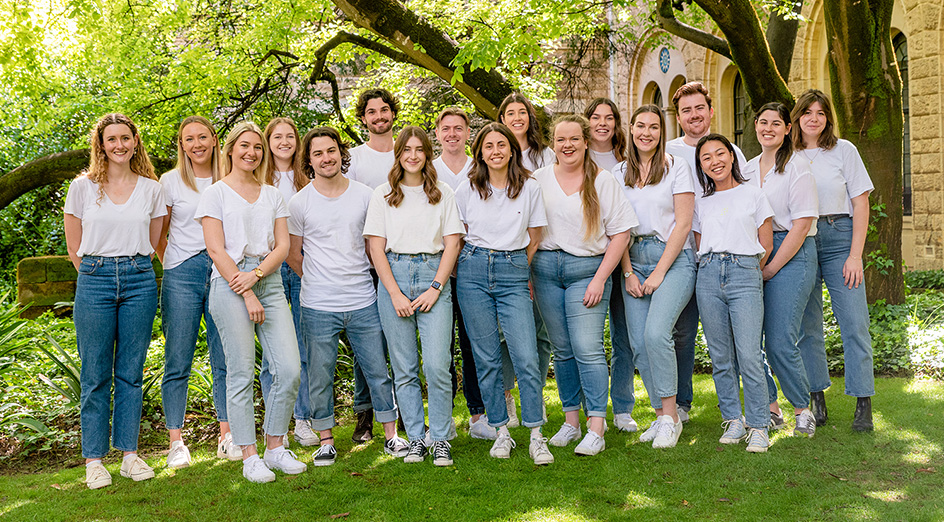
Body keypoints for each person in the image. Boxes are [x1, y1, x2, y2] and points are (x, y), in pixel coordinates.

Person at [288, 127, 408, 467]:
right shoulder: (299, 203)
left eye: (331, 151)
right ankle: (325, 440)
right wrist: (319, 279)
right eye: (318, 154)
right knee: (321, 374)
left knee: (377, 371)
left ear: (342, 153)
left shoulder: (365, 195)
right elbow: (293, 255)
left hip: (362, 300)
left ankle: (390, 434)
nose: (326, 158)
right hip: (318, 304)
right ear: (309, 161)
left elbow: (374, 246)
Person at [196, 121, 305, 483]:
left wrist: (256, 279)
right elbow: (215, 248)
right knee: (240, 373)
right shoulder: (215, 193)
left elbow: (283, 247)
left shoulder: (273, 194)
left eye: (257, 147)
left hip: (267, 279)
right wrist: (244, 290)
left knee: (288, 369)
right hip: (229, 284)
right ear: (229, 150)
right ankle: (249, 455)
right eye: (244, 145)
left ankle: (275, 447)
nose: (251, 152)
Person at [64, 113, 166, 489]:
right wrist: (96, 272)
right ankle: (94, 460)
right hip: (95, 280)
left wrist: (131, 266)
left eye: (126, 138)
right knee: (94, 374)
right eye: (112, 139)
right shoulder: (82, 188)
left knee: (130, 372)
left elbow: (156, 240)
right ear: (101, 145)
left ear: (135, 142)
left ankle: (129, 456)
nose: (119, 145)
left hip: (139, 280)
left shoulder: (151, 190)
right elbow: (74, 246)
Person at [532, 115, 636, 456]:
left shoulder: (603, 181)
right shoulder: (539, 179)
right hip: (546, 270)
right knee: (562, 349)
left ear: (586, 142)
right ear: (552, 144)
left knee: (586, 347)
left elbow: (622, 234)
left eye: (574, 139)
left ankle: (596, 426)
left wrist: (600, 278)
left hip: (587, 271)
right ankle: (571, 421)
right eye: (561, 139)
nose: (568, 145)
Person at [455, 122, 554, 464]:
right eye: (488, 146)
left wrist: (517, 266)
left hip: (513, 269)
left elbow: (536, 235)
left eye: (501, 145)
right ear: (479, 152)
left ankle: (536, 434)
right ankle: (500, 431)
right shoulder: (467, 188)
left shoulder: (529, 187)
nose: (495, 151)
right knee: (486, 358)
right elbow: (460, 233)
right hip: (473, 270)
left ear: (512, 149)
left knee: (525, 354)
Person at [364, 126, 464, 466]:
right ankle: (417, 439)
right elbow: (375, 247)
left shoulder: (442, 193)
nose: (413, 155)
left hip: (432, 274)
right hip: (394, 275)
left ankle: (440, 438)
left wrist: (436, 287)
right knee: (404, 368)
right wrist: (393, 293)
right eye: (406, 149)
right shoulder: (383, 194)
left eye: (419, 149)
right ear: (398, 154)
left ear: (427, 154)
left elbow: (453, 243)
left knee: (437, 365)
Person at [156, 116, 239, 469]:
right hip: (183, 273)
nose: (197, 144)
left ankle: (227, 435)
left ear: (214, 139)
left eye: (202, 136)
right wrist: (173, 265)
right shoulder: (170, 182)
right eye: (189, 139)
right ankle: (176, 442)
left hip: (223, 269)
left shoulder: (232, 177)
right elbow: (159, 234)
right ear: (182, 144)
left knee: (225, 357)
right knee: (178, 358)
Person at [791, 89, 876, 432]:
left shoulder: (844, 151)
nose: (814, 118)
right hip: (803, 239)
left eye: (821, 112)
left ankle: (863, 403)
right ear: (797, 117)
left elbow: (860, 203)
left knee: (854, 322)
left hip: (840, 237)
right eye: (807, 112)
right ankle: (817, 399)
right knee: (808, 326)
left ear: (828, 118)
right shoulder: (788, 155)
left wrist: (855, 254)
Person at [664, 82, 748, 423]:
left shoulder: (729, 150)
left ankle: (761, 406)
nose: (694, 115)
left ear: (710, 111)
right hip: (682, 255)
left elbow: (747, 202)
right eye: (686, 110)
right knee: (683, 333)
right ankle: (682, 403)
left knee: (737, 336)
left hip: (724, 258)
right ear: (679, 117)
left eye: (699, 107)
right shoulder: (668, 152)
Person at [615, 105, 696, 448]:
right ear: (631, 130)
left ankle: (670, 417)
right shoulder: (620, 172)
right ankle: (665, 415)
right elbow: (616, 228)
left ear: (661, 132)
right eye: (640, 126)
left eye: (653, 127)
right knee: (638, 344)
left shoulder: (676, 168)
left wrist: (659, 272)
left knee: (657, 333)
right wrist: (629, 273)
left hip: (673, 258)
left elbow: (684, 223)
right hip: (632, 258)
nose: (646, 132)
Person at [692, 133, 774, 453]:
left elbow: (765, 245)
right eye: (707, 158)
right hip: (708, 275)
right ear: (702, 167)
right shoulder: (702, 203)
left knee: (750, 354)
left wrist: (745, 268)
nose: (715, 161)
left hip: (744, 273)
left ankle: (758, 425)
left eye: (720, 153)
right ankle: (733, 419)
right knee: (721, 356)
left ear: (732, 155)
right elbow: (699, 242)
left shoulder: (754, 195)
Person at [743, 102, 819, 437]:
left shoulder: (797, 166)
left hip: (792, 253)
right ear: (755, 126)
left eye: (777, 123)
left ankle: (803, 409)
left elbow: (802, 225)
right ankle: (770, 410)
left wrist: (772, 267)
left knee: (779, 340)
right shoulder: (745, 169)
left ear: (788, 129)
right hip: (753, 252)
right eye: (763, 122)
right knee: (749, 340)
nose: (768, 128)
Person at [432, 107, 495, 440]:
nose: (453, 134)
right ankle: (443, 421)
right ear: (438, 133)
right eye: (446, 128)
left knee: (473, 344)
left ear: (468, 132)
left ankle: (477, 414)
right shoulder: (429, 171)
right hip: (438, 271)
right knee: (440, 347)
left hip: (473, 270)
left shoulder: (481, 167)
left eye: (459, 128)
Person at [498, 92, 555, 425]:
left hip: (543, 251)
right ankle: (507, 397)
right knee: (508, 333)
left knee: (542, 333)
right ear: (502, 119)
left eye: (522, 112)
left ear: (530, 118)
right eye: (510, 113)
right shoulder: (496, 153)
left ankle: (533, 397)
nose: (517, 117)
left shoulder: (546, 156)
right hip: (511, 256)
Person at [258, 117, 316, 447]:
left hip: (302, 264)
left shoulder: (308, 178)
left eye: (289, 136)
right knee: (272, 353)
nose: (283, 141)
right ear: (268, 142)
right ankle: (275, 422)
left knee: (303, 348)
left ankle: (304, 419)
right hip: (270, 269)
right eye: (277, 136)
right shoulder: (257, 179)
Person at [347, 88, 400, 442]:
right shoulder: (353, 159)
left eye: (384, 110)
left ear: (393, 114)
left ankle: (405, 411)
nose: (379, 116)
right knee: (368, 343)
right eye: (371, 112)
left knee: (401, 343)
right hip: (365, 261)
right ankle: (365, 414)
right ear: (363, 118)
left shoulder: (408, 152)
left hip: (406, 257)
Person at [584, 98, 638, 433]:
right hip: (587, 259)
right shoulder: (574, 156)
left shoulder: (626, 161)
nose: (602, 123)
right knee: (586, 342)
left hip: (622, 255)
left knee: (623, 335)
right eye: (595, 117)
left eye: (609, 118)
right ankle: (588, 411)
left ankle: (622, 408)